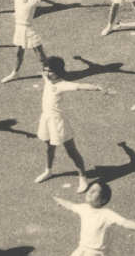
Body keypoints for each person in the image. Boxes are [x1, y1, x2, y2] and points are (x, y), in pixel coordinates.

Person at [35, 56, 114, 190]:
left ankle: (83, 177)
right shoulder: (47, 78)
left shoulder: (62, 85)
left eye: (50, 71)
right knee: (49, 147)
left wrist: (98, 88)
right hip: (46, 120)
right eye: (45, 70)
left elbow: (80, 86)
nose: (47, 74)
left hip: (58, 122)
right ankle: (48, 171)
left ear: (58, 72)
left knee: (71, 151)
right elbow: (44, 70)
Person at [0, 0, 64, 83]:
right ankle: (15, 73)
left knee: (40, 55)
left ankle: (51, 74)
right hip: (18, 29)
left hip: (29, 30)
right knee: (19, 53)